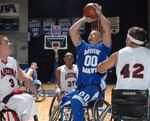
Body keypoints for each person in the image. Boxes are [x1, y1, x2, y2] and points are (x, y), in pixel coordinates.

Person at [62, 3, 112, 121]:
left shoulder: (104, 47)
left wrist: (99, 14)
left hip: (94, 86)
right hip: (81, 86)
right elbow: (72, 31)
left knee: (75, 101)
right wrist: (85, 19)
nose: (90, 34)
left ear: (100, 38)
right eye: (90, 34)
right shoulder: (82, 46)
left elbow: (107, 29)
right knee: (65, 100)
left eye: (94, 34)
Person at [97, 26, 150, 92]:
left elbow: (99, 69)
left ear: (129, 40)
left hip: (121, 97)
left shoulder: (118, 54)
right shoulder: (148, 53)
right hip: (142, 97)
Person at [0, 35, 38, 121]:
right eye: (7, 42)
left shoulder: (12, 61)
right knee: (19, 101)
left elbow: (20, 75)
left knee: (29, 99)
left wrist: (28, 79)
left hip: (13, 95)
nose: (10, 44)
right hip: (2, 97)